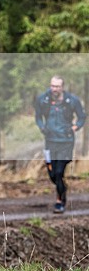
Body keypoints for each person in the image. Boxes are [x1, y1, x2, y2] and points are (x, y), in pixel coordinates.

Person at [34, 75, 85, 213]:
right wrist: (42, 127)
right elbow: (38, 117)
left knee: (58, 172)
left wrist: (75, 127)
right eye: (52, 86)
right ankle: (62, 189)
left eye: (57, 86)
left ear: (62, 87)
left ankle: (59, 201)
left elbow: (82, 117)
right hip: (50, 142)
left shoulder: (72, 100)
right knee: (52, 174)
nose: (54, 89)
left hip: (66, 142)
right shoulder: (43, 99)